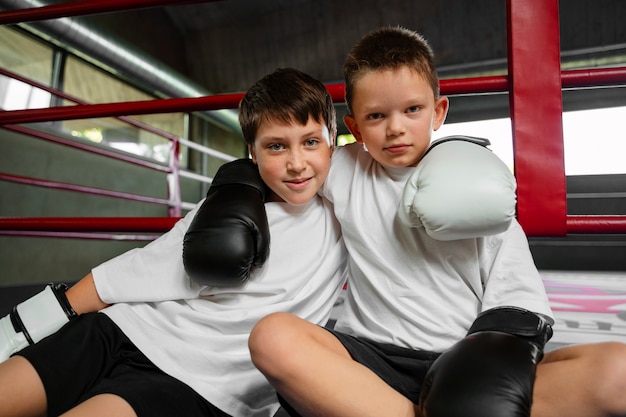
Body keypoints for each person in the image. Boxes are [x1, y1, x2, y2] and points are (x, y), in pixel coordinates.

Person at [244, 26, 626, 417]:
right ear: (354, 128)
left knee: (618, 370)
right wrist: (232, 190)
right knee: (273, 337)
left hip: (467, 364)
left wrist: (493, 358)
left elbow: (516, 290)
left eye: (412, 109)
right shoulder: (345, 168)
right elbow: (282, 160)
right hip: (369, 363)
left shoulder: (476, 183)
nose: (395, 127)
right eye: (376, 115)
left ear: (438, 111)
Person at [0, 67, 347, 417]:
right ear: (252, 153)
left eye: (311, 142)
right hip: (127, 328)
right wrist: (14, 332)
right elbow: (134, 270)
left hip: (204, 386)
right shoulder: (231, 202)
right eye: (276, 146)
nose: (296, 163)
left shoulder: (354, 196)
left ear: (333, 139)